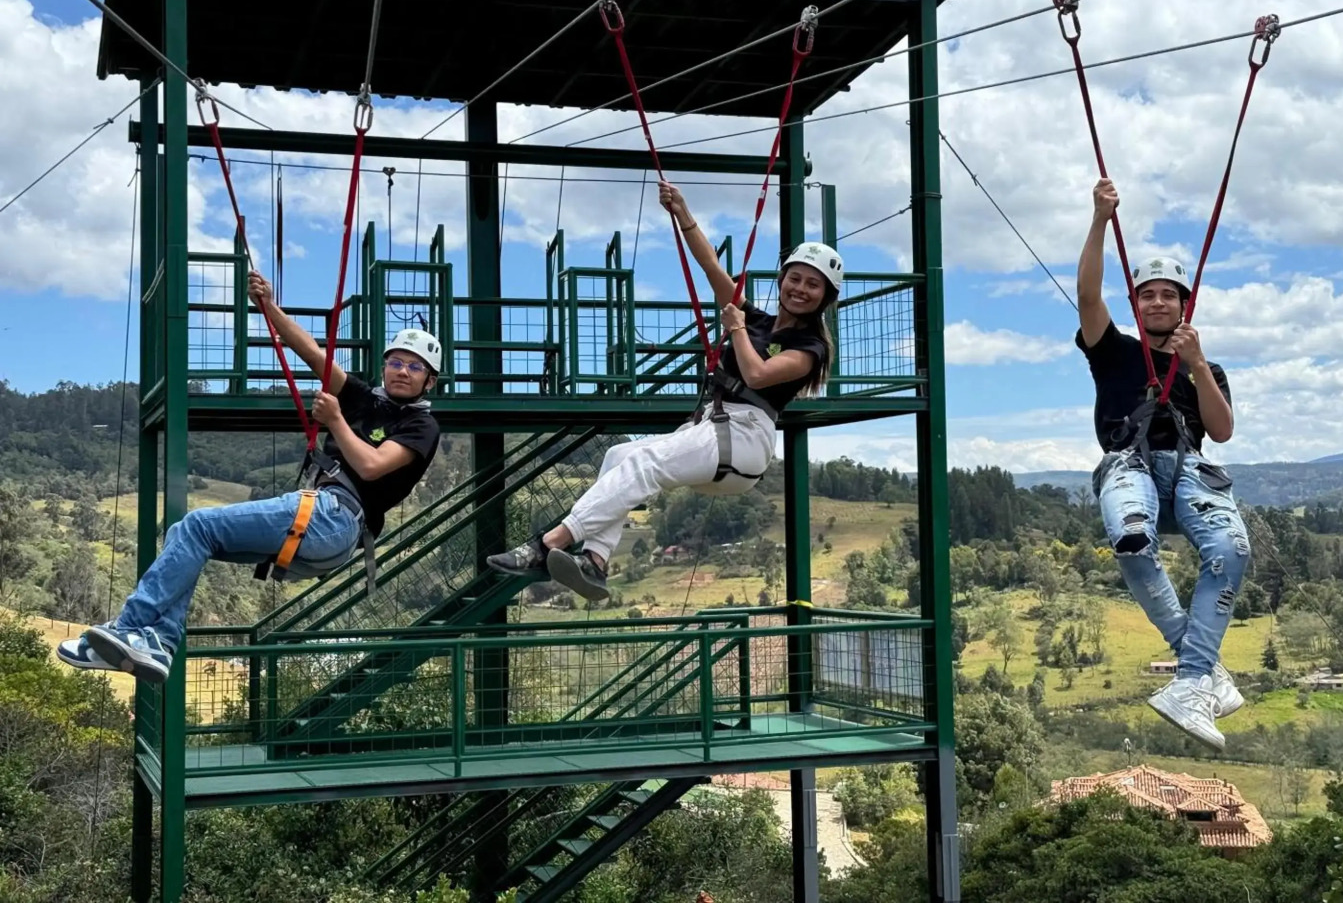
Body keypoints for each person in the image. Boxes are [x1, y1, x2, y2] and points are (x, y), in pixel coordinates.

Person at [58, 270, 443, 683]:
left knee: (197, 525)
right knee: (188, 535)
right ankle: (157, 642)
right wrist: (268, 306)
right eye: (396, 362)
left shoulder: (422, 427)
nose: (402, 371)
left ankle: (132, 628)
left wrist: (335, 421)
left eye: (414, 367)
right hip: (324, 524)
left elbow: (370, 465)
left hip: (337, 517)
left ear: (429, 380)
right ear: (385, 366)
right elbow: (313, 353)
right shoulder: (363, 397)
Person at [488, 180, 840, 602]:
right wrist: (683, 213)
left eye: (812, 285)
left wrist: (737, 329)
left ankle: (548, 545)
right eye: (795, 278)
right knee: (620, 455)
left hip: (745, 440)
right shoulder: (759, 320)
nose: (800, 289)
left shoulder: (811, 348)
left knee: (647, 462)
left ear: (825, 298)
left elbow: (759, 375)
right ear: (782, 280)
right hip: (717, 428)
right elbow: (712, 269)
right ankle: (596, 561)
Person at [1076, 177, 1250, 751]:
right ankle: (1198, 672)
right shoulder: (1116, 352)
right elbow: (1088, 297)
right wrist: (1101, 220)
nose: (1156, 302)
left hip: (1190, 469)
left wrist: (1197, 363)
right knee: (1132, 538)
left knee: (1232, 549)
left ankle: (1194, 678)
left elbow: (1220, 430)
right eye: (1146, 294)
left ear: (1183, 305)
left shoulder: (1207, 365)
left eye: (1167, 295)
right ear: (1136, 305)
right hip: (1130, 464)